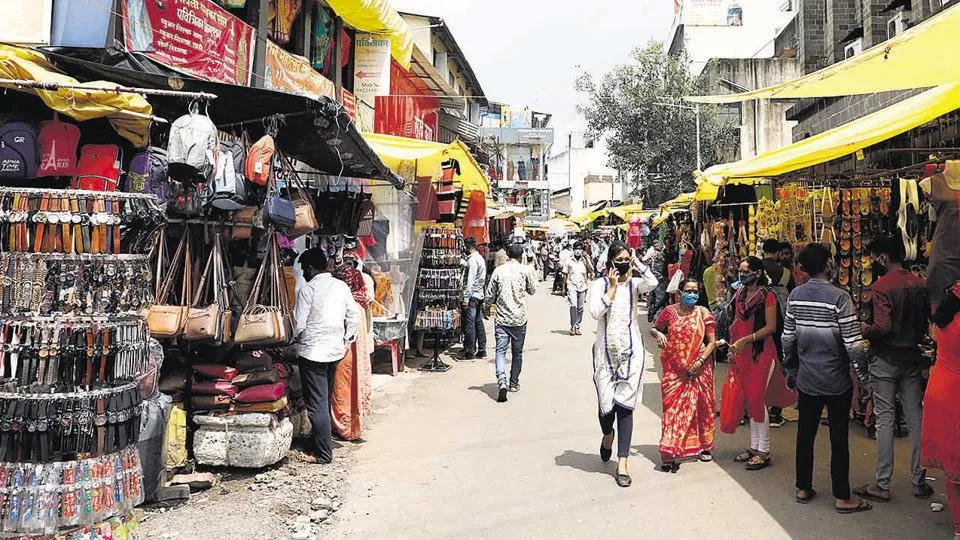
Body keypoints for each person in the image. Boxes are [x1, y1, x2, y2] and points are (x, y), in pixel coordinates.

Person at [782, 242, 872, 513]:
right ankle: (842, 497)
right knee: (839, 439)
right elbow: (853, 344)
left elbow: (788, 338)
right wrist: (864, 376)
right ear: (827, 265)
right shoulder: (840, 297)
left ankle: (803, 486)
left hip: (808, 380)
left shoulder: (796, 296)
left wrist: (790, 370)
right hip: (836, 381)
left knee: (805, 435)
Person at [854, 237, 933, 502]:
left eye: (875, 256)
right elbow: (926, 324)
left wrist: (866, 330)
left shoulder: (881, 287)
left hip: (886, 359)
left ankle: (882, 483)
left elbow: (883, 327)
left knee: (885, 419)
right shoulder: (920, 284)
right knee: (915, 419)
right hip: (911, 358)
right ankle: (919, 480)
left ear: (883, 257)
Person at [588, 242, 658, 487]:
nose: (623, 262)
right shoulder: (599, 285)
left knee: (625, 406)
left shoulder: (635, 284)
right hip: (604, 355)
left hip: (632, 353)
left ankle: (623, 462)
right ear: (610, 261)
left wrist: (638, 263)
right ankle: (608, 435)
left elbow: (653, 283)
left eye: (626, 258)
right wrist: (612, 289)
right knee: (606, 409)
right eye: (619, 259)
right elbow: (595, 312)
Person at [293, 248, 363, 464]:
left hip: (313, 353)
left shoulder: (308, 289)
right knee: (324, 400)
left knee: (317, 405)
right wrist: (345, 340)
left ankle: (323, 454)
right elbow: (354, 316)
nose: (303, 273)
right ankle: (320, 442)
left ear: (312, 268)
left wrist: (292, 338)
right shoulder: (341, 286)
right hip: (334, 352)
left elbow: (299, 324)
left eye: (305, 269)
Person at [650, 278, 718, 470]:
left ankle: (704, 447)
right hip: (674, 371)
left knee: (702, 407)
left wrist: (699, 362)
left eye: (695, 291)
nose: (692, 294)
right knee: (672, 411)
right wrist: (659, 334)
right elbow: (654, 328)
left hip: (699, 368)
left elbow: (712, 342)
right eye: (688, 290)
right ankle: (669, 453)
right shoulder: (669, 311)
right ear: (679, 293)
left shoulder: (703, 312)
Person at [720, 256, 780, 470]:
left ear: (758, 273)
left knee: (757, 399)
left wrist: (746, 340)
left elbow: (771, 327)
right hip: (742, 352)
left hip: (761, 351)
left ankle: (764, 450)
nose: (742, 275)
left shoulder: (768, 296)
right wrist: (732, 348)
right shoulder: (740, 294)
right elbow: (736, 322)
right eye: (741, 271)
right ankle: (754, 447)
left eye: (747, 271)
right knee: (748, 399)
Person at [922, 281, 960, 540]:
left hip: (941, 390)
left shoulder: (944, 314)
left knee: (953, 463)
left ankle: (959, 527)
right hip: (955, 392)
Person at [486, 243, 538, 402]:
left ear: (508, 255)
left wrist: (487, 307)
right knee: (517, 352)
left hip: (502, 319)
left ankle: (502, 380)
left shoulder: (499, 270)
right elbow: (532, 290)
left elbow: (490, 294)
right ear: (521, 255)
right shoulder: (525, 270)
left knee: (500, 351)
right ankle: (513, 383)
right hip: (519, 319)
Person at [762, 239, 794, 428]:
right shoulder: (786, 273)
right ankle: (775, 410)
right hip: (779, 321)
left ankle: (753, 406)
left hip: (757, 323)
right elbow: (792, 295)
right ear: (776, 253)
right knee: (779, 361)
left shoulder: (753, 267)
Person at [462, 237, 487, 360]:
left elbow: (470, 281)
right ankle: (482, 350)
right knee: (478, 322)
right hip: (479, 294)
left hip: (473, 296)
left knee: (470, 324)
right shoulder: (480, 258)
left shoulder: (472, 261)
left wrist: (466, 298)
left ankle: (470, 351)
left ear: (467, 247)